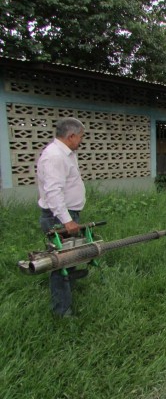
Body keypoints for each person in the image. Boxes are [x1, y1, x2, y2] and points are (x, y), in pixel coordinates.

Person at [37, 117, 87, 317]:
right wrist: (67, 220)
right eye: (80, 137)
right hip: (58, 217)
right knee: (60, 263)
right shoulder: (55, 156)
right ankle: (62, 311)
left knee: (70, 259)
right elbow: (53, 192)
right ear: (71, 136)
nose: (81, 141)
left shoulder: (67, 153)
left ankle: (68, 296)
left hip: (67, 214)